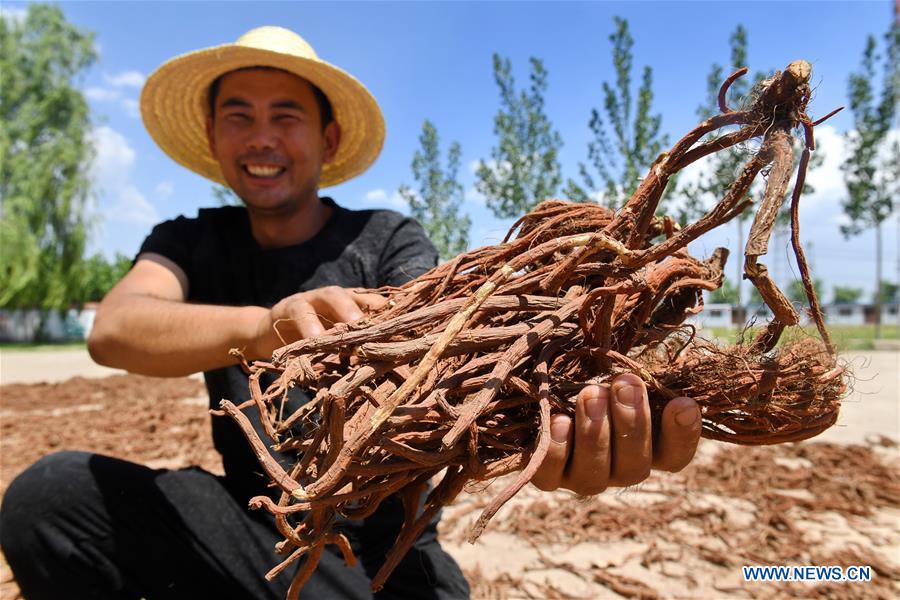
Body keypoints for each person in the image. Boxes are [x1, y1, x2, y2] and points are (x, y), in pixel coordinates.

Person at [0, 26, 701, 599]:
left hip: (383, 556)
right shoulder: (190, 241)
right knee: (49, 498)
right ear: (214, 139)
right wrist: (264, 326)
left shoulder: (387, 240)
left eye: (286, 116)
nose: (261, 137)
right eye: (238, 115)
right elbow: (116, 329)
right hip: (258, 531)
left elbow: (465, 372)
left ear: (328, 141)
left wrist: (548, 431)